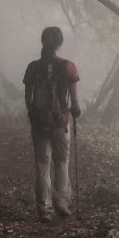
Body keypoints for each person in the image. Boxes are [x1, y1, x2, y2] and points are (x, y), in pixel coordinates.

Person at [23, 26, 81, 220]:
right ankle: (62, 203)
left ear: (43, 41)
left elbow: (28, 98)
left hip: (40, 122)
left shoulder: (33, 67)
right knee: (62, 162)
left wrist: (33, 114)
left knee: (42, 164)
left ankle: (44, 209)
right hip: (61, 122)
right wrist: (75, 110)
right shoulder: (68, 66)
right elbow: (74, 99)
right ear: (60, 43)